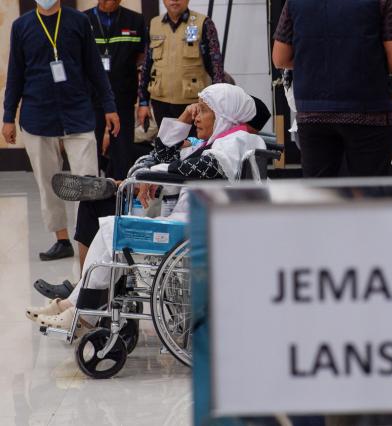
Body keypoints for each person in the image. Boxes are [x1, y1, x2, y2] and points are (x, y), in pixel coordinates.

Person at [26, 83, 264, 331]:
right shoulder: (219, 142)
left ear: (223, 115)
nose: (196, 116)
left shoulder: (234, 141)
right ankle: (75, 308)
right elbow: (164, 153)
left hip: (190, 229)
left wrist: (151, 175)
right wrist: (182, 120)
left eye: (203, 110)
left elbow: (203, 168)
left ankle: (80, 312)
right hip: (190, 224)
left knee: (112, 229)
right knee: (111, 229)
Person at [2, 0, 120, 261]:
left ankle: (87, 241)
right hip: (37, 117)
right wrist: (8, 116)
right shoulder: (21, 26)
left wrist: (109, 106)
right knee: (47, 182)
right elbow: (15, 74)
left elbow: (94, 67)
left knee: (88, 183)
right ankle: (62, 239)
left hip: (78, 113)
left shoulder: (78, 21)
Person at [272, 0, 392, 178]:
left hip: (313, 111)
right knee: (368, 189)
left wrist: (316, 63)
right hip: (368, 110)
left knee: (321, 190)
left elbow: (280, 59)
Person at [137, 0, 225, 130]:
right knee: (166, 141)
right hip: (160, 102)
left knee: (193, 141)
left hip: (194, 104)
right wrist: (143, 102)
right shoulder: (154, 24)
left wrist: (217, 104)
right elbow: (146, 66)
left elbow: (216, 67)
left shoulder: (203, 23)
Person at [85, 0, 146, 180]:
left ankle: (121, 191)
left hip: (123, 97)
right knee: (90, 152)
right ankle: (92, 193)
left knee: (122, 153)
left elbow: (142, 58)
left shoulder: (135, 20)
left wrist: (143, 101)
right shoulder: (83, 20)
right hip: (91, 98)